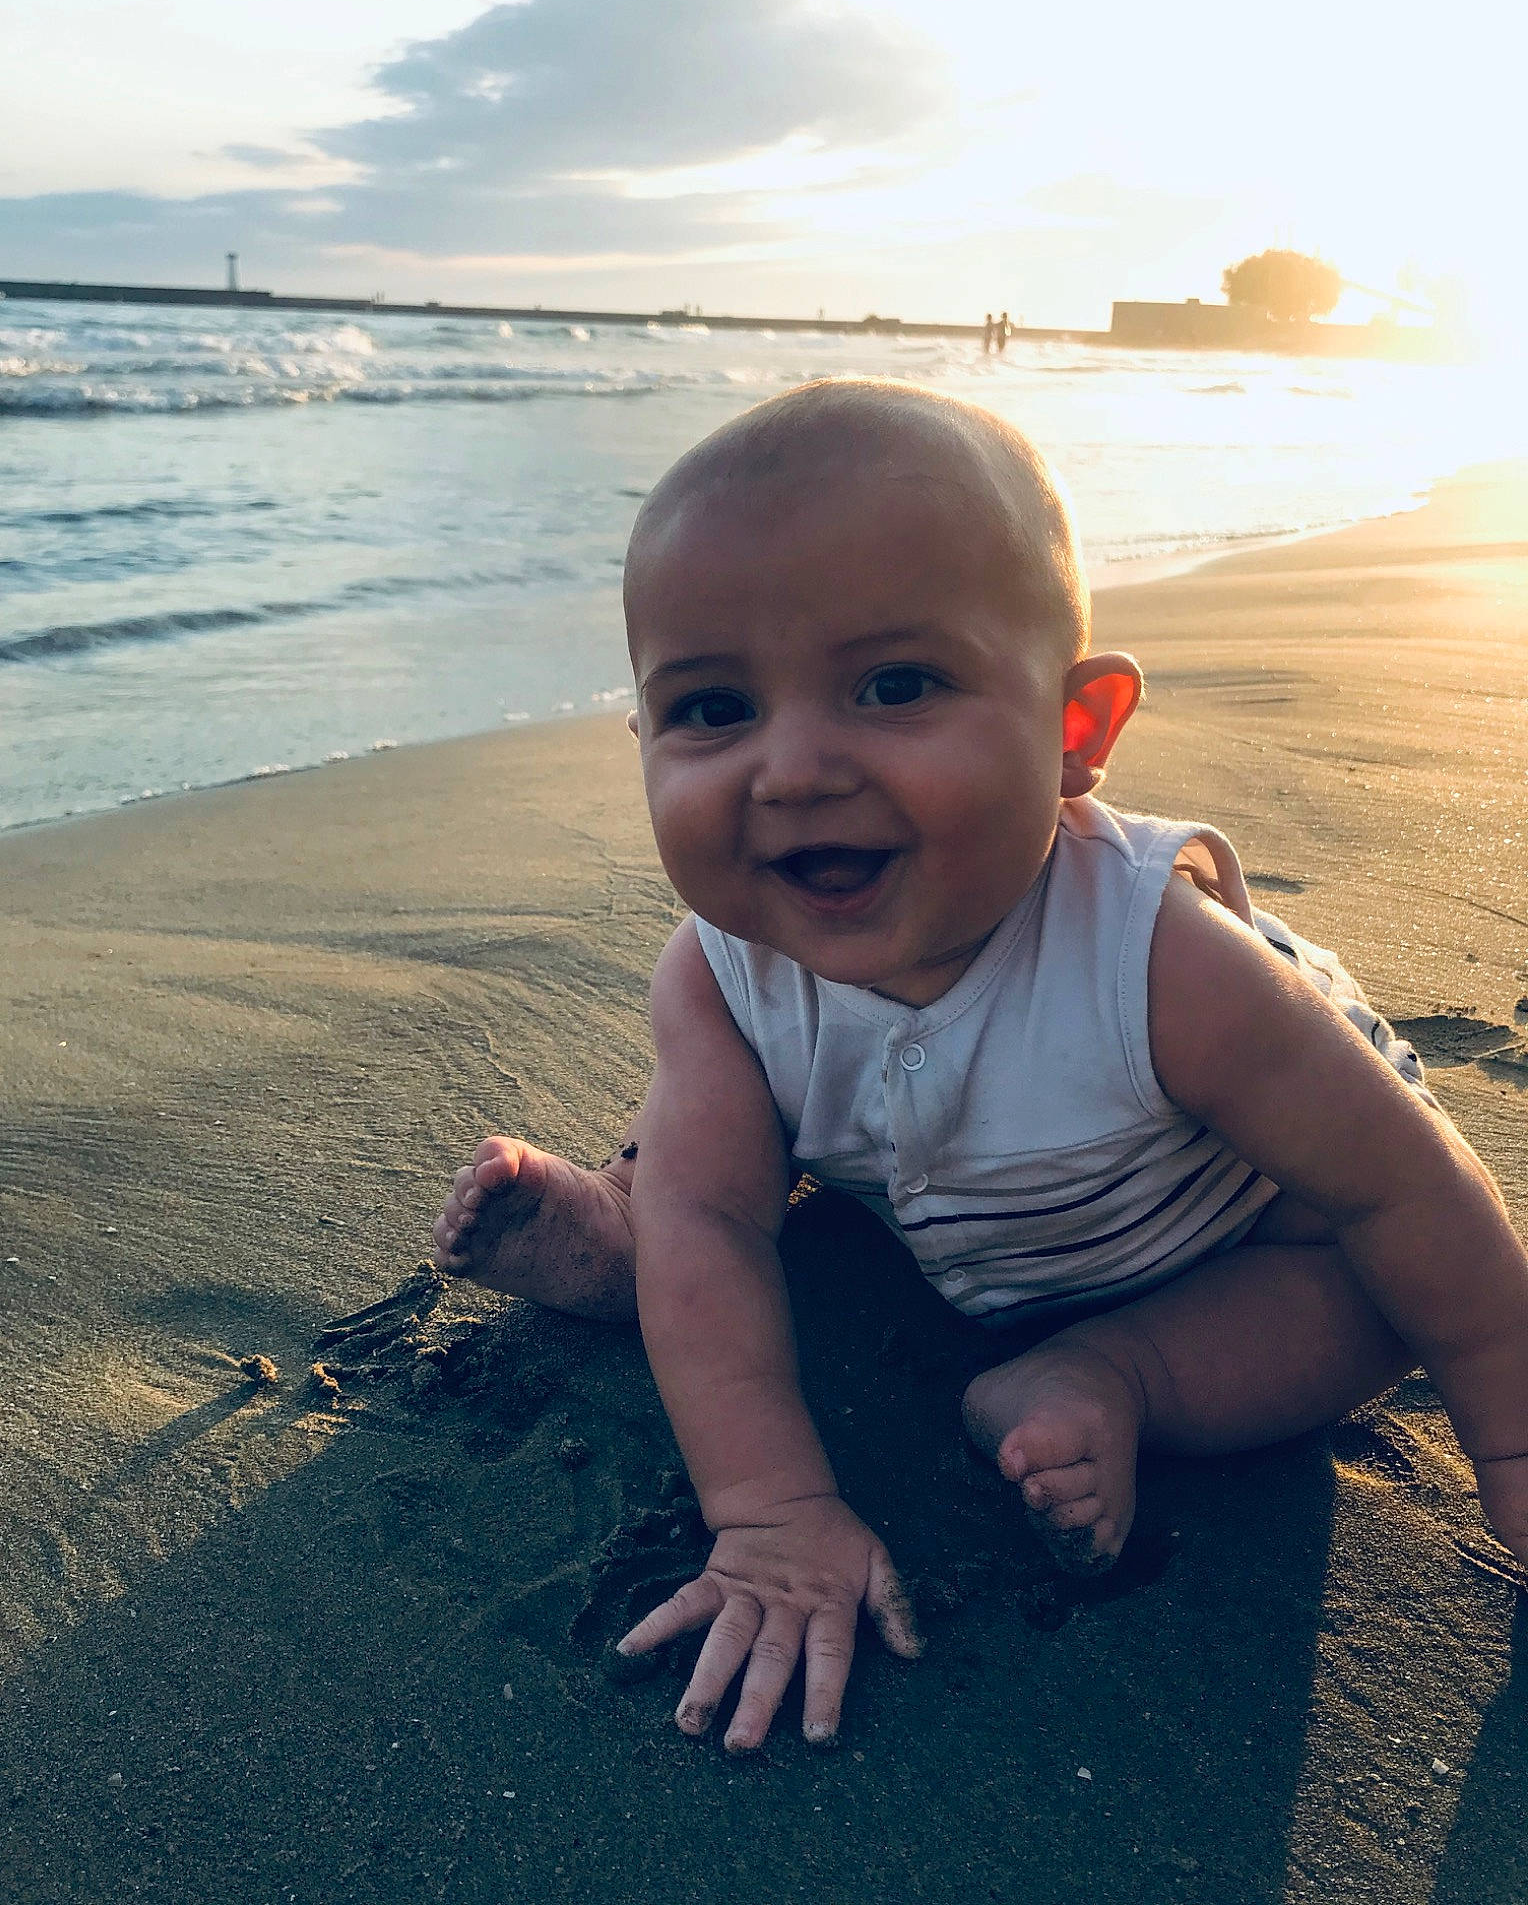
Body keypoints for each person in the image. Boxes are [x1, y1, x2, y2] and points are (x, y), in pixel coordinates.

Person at [432, 379, 1528, 1753]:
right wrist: (772, 1514)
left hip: (1229, 1233)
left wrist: (1513, 1446)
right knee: (704, 1193)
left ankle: (1115, 1373)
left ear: (1077, 732)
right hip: (922, 1184)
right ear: (643, 741)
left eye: (895, 686)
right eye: (714, 708)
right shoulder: (721, 972)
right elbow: (723, 1226)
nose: (793, 766)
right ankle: (611, 1229)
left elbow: (1410, 1189)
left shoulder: (1162, 964)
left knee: (1373, 1303)